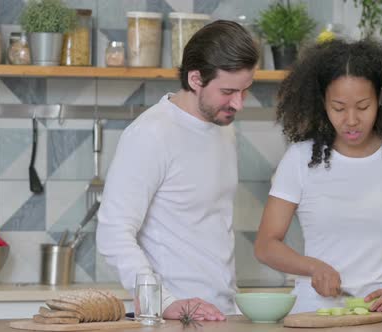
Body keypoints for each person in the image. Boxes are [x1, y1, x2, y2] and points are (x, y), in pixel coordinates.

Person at [254, 39, 382, 314]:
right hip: (314, 313)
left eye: (363, 107)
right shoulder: (300, 159)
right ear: (322, 103)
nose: (351, 120)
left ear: (381, 99)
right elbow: (266, 245)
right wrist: (313, 267)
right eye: (338, 108)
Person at [96, 20, 259, 321]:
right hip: (172, 319)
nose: (238, 103)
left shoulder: (224, 128)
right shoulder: (151, 134)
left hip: (221, 314)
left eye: (245, 90)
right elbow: (113, 233)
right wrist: (164, 302)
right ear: (195, 78)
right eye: (228, 91)